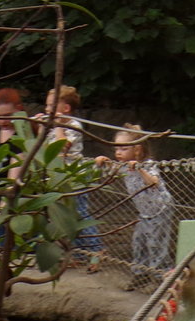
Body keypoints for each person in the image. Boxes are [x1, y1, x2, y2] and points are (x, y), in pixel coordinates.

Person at [95, 124, 175, 284]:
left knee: (156, 243)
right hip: (144, 212)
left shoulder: (147, 164)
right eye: (116, 148)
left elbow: (153, 182)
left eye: (123, 149)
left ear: (137, 149)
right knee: (138, 241)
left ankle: (162, 277)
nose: (118, 152)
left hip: (160, 209)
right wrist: (103, 162)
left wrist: (139, 169)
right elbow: (112, 171)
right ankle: (141, 274)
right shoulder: (124, 166)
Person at [41, 85, 102, 267]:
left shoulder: (74, 126)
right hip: (59, 179)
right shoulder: (53, 127)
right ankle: (78, 253)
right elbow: (44, 148)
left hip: (75, 179)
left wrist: (58, 125)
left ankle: (96, 249)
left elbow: (61, 147)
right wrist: (40, 126)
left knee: (80, 214)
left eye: (50, 106)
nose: (46, 110)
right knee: (66, 216)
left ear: (65, 109)